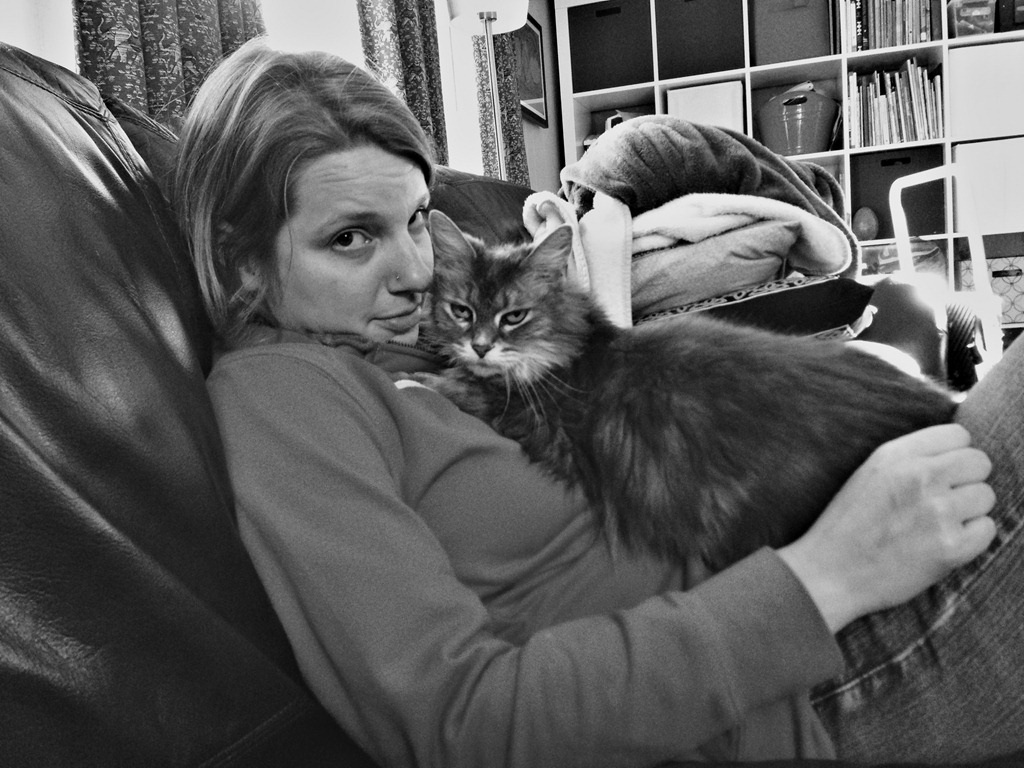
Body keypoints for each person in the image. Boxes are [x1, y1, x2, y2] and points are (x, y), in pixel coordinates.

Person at [172, 38, 1023, 766]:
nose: (415, 270)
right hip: (792, 685)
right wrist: (830, 574)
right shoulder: (283, 397)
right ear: (241, 259)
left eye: (417, 219)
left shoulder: (404, 339)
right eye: (350, 238)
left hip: (805, 577)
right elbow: (463, 722)